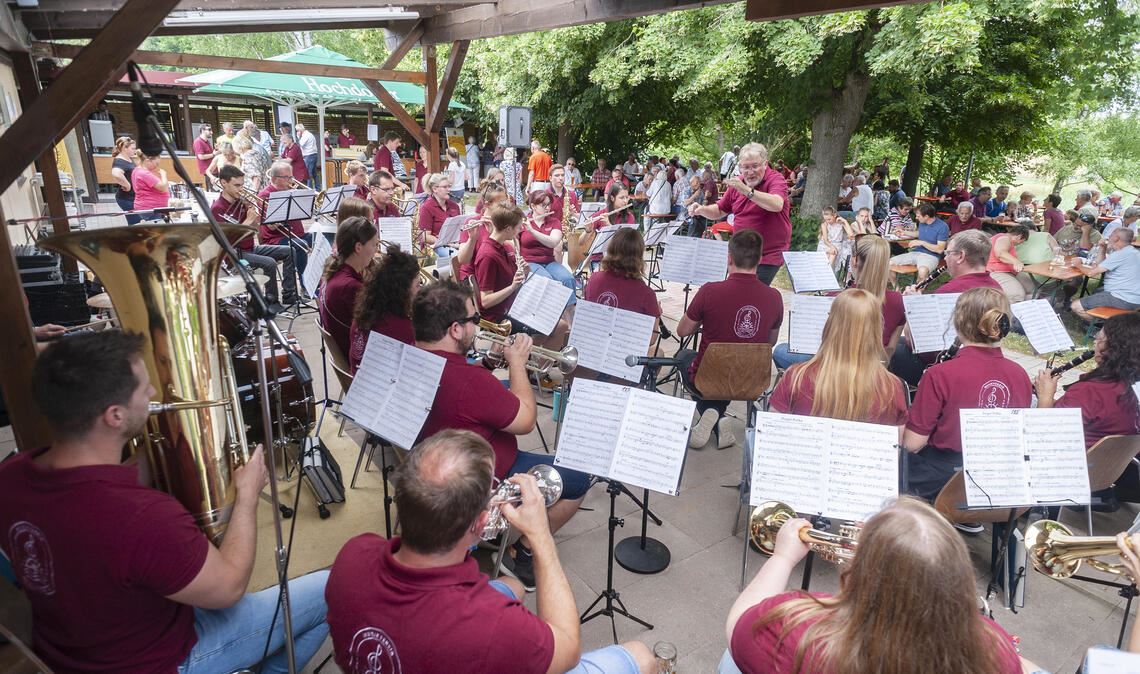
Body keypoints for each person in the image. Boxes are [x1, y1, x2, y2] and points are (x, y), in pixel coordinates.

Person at [0, 331, 329, 673]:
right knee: (329, 589)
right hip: (157, 661)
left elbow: (85, 509)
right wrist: (246, 497)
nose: (154, 394)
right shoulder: (143, 516)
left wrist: (151, 454)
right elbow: (229, 587)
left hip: (73, 649)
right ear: (114, 415)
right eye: (145, 389)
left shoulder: (11, 476)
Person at [326, 429, 653, 674]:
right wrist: (540, 536)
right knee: (641, 656)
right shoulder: (489, 625)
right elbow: (567, 648)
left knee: (511, 588)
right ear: (480, 522)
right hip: (461, 635)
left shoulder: (354, 553)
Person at [413, 282, 591, 590]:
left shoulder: (414, 357)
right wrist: (518, 364)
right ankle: (520, 554)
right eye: (473, 320)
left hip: (438, 458)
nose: (479, 326)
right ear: (455, 329)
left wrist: (485, 362)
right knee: (579, 478)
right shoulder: (470, 382)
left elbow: (465, 385)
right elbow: (525, 420)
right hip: (485, 475)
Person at [722, 498, 1026, 674]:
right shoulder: (993, 643)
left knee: (729, 664)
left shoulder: (801, 631)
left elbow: (739, 625)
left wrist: (784, 558)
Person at [903, 287, 1033, 506]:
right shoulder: (1020, 375)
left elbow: (912, 444)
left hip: (945, 479)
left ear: (958, 322)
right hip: (998, 480)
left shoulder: (940, 374)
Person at [678, 231, 783, 449]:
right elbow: (770, 342)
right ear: (760, 259)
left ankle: (712, 411)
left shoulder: (710, 291)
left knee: (683, 356)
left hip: (709, 376)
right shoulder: (774, 297)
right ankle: (718, 418)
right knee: (728, 368)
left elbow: (682, 331)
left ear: (729, 258)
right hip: (752, 379)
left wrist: (702, 319)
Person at [770, 288, 909, 431]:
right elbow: (897, 447)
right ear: (877, 331)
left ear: (830, 325)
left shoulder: (796, 377)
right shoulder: (892, 388)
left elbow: (772, 432)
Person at [889, 230, 1002, 387]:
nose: (945, 257)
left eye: (948, 253)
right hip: (981, 359)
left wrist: (913, 307)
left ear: (960, 256)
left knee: (891, 347)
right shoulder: (996, 288)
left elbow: (913, 341)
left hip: (943, 364)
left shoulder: (948, 292)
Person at [688, 143, 791, 285]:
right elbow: (719, 210)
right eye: (745, 167)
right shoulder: (739, 184)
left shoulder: (775, 179)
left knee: (752, 294)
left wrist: (746, 191)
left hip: (767, 254)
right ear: (740, 167)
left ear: (765, 164)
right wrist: (701, 209)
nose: (750, 172)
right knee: (736, 293)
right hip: (740, 252)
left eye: (755, 166)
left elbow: (777, 204)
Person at [211, 165, 296, 304]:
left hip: (249, 248)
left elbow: (254, 230)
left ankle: (289, 295)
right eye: (236, 185)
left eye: (242, 185)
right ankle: (271, 303)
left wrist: (255, 218)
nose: (241, 189)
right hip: (232, 253)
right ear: (223, 183)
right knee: (270, 263)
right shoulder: (217, 208)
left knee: (289, 251)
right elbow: (227, 240)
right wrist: (248, 220)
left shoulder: (241, 203)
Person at [348, 248, 421, 373]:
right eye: (418, 285)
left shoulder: (365, 313)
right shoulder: (403, 329)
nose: (420, 291)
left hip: (358, 384)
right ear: (402, 291)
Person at [319, 216, 380, 358]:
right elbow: (377, 327)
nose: (375, 251)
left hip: (346, 347)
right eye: (374, 245)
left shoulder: (334, 271)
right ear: (358, 247)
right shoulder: (350, 286)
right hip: (358, 357)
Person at [583, 227, 662, 324]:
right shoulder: (647, 293)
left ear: (611, 249)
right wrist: (656, 315)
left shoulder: (594, 279)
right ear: (639, 255)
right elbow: (651, 338)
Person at [259, 160, 310, 285]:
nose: (291, 180)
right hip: (276, 239)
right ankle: (306, 285)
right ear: (275, 179)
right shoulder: (265, 195)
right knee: (301, 245)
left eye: (291, 176)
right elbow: (271, 227)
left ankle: (318, 280)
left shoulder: (291, 192)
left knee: (322, 237)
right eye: (287, 177)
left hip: (296, 234)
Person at [1071, 228, 1140, 319]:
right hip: (1134, 297)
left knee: (1075, 306)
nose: (1108, 237)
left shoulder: (1120, 254)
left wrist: (1078, 265)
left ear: (1116, 238)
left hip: (1123, 298)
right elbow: (1101, 265)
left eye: (1111, 235)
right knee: (1097, 291)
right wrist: (1102, 248)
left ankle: (1100, 326)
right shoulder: (1132, 252)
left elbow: (1091, 273)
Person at [521, 191, 575, 300]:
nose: (547, 208)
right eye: (543, 205)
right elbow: (515, 245)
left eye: (549, 204)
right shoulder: (523, 222)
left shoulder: (554, 222)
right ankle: (551, 313)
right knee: (547, 281)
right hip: (529, 262)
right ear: (533, 206)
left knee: (568, 278)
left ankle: (569, 312)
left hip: (549, 261)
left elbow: (553, 242)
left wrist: (531, 231)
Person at [456, 181, 508, 281]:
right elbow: (463, 260)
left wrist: (496, 234)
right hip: (474, 277)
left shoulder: (505, 223)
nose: (506, 206)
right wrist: (472, 239)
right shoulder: (473, 222)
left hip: (497, 274)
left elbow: (513, 251)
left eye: (505, 201)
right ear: (487, 204)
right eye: (501, 203)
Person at [888, 202, 949, 286]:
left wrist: (922, 242)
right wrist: (904, 232)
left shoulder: (942, 227)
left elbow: (940, 249)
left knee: (923, 271)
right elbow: (919, 233)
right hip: (916, 252)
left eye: (918, 216)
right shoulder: (922, 222)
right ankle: (897, 289)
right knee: (889, 263)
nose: (916, 218)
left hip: (932, 256)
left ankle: (917, 292)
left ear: (927, 216)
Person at [986, 223, 1033, 303]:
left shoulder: (1008, 241)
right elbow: (1000, 253)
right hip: (996, 272)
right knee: (1017, 295)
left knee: (1032, 289)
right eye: (1022, 241)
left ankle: (1026, 309)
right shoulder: (1004, 238)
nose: (1020, 243)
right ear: (1019, 237)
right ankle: (1011, 312)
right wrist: (1016, 261)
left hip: (1010, 271)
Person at [420, 172, 462, 253]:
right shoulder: (426, 207)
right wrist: (443, 242)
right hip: (435, 246)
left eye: (449, 186)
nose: (449, 190)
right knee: (457, 256)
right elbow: (425, 236)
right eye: (445, 187)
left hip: (453, 244)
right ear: (435, 189)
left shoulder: (454, 206)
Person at [130, 151, 170, 221]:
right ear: (148, 161)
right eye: (156, 163)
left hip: (147, 207)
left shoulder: (138, 170)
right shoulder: (144, 173)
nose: (157, 166)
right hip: (151, 209)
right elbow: (164, 188)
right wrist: (164, 175)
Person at [110, 136, 139, 225]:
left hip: (132, 197)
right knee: (135, 222)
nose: (135, 150)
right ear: (124, 148)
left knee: (136, 221)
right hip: (126, 198)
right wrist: (127, 185)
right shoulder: (119, 161)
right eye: (133, 148)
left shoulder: (128, 158)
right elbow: (116, 173)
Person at [546, 163, 581, 235]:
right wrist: (557, 228)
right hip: (551, 234)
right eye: (557, 175)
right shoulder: (545, 195)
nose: (560, 178)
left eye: (562, 175)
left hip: (569, 234)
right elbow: (541, 221)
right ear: (550, 178)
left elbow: (579, 217)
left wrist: (573, 214)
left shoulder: (572, 194)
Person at [815, 206, 852, 271]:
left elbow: (851, 234)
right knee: (831, 254)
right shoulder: (824, 224)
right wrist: (832, 247)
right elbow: (826, 240)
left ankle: (828, 273)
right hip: (827, 245)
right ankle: (826, 273)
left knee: (833, 254)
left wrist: (845, 221)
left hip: (838, 245)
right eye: (825, 219)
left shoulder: (840, 223)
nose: (827, 221)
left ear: (834, 215)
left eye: (829, 219)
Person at [294, 123, 319, 188]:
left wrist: (298, 137)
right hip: (313, 155)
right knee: (314, 174)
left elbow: (301, 144)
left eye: (297, 130)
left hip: (309, 155)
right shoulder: (310, 134)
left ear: (300, 130)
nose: (297, 132)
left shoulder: (305, 135)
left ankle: (309, 189)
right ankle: (317, 188)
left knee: (308, 174)